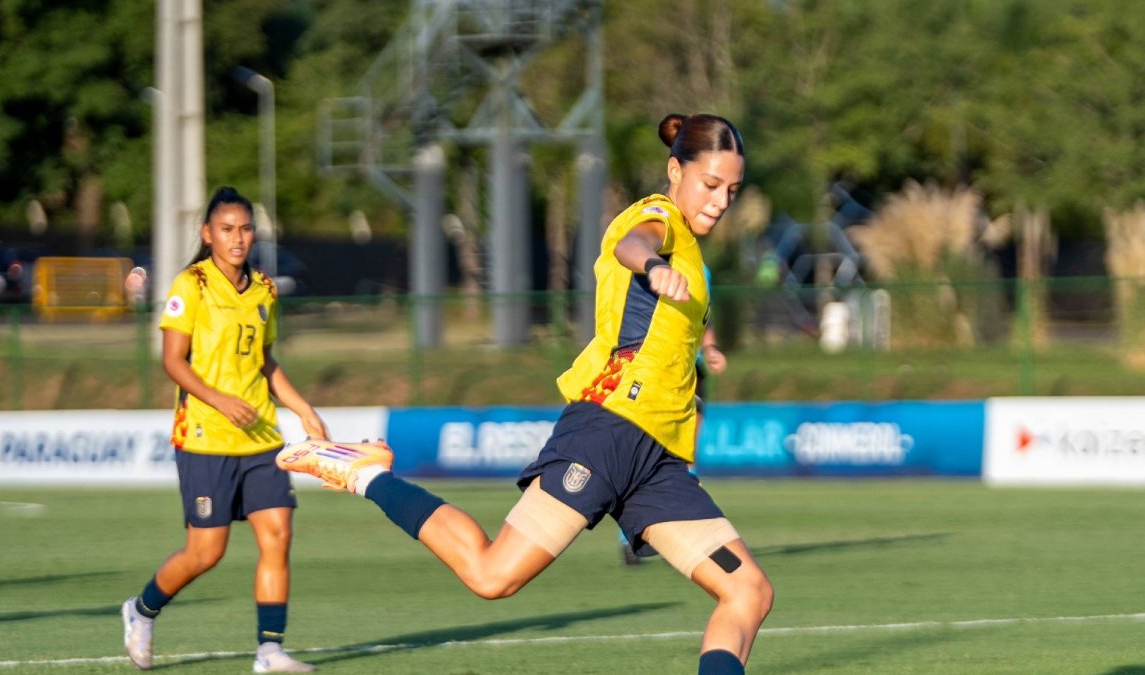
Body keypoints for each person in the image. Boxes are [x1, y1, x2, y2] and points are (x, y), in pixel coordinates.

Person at [279, 114, 774, 674]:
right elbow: (632, 246)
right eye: (710, 185)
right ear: (674, 170)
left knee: (748, 591)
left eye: (731, 190)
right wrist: (654, 267)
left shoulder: (693, 254)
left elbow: (665, 343)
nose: (720, 200)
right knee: (492, 576)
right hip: (608, 431)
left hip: (658, 457)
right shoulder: (656, 219)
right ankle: (365, 471)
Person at [121, 186, 327, 673]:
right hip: (204, 439)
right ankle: (141, 609)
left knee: (277, 534)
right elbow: (173, 361)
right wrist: (217, 399)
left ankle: (270, 651)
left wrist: (303, 409)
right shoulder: (189, 285)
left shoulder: (266, 289)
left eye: (245, 229)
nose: (238, 239)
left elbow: (265, 362)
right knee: (205, 552)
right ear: (207, 234)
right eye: (228, 229)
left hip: (261, 438)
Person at [620, 265, 727, 565]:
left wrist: (711, 347)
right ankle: (631, 535)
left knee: (687, 456)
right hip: (654, 370)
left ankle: (689, 536)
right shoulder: (648, 257)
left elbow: (702, 313)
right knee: (643, 453)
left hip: (691, 370)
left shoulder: (701, 267)